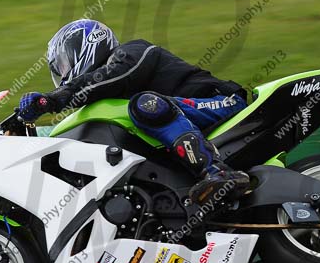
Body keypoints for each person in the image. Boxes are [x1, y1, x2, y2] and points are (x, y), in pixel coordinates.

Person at [15, 19, 250, 204]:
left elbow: (109, 78)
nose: (65, 73)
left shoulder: (132, 51)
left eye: (64, 64)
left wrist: (53, 99)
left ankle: (217, 172)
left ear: (85, 46)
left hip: (221, 102)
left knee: (145, 104)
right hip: (188, 119)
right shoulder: (105, 98)